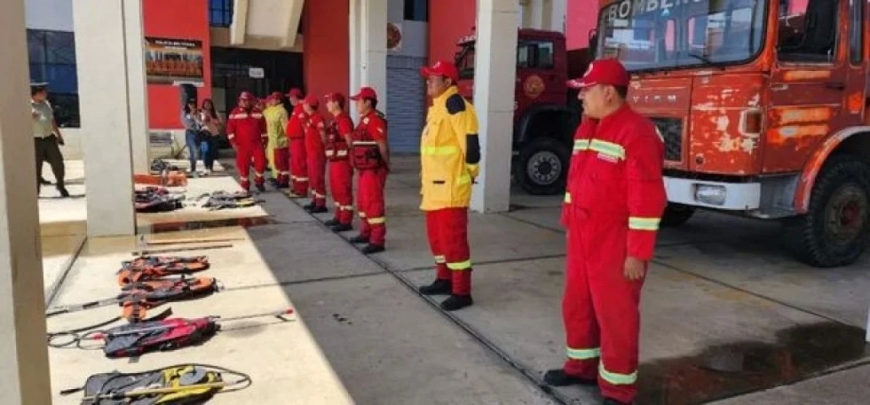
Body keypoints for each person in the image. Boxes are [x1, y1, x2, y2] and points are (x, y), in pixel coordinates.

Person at [543, 58, 667, 405]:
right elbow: (574, 183)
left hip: (615, 242)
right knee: (577, 304)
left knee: (616, 314)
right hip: (583, 237)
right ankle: (580, 366)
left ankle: (618, 388)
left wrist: (637, 253)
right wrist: (569, 224)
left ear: (609, 93)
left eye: (586, 90)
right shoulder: (586, 129)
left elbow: (647, 199)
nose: (580, 97)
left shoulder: (637, 133)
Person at [415, 61, 481, 311]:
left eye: (433, 77)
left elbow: (471, 147)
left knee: (453, 241)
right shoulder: (438, 108)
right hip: (434, 189)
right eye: (428, 77)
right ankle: (444, 279)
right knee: (438, 240)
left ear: (448, 82)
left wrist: (469, 174)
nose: (428, 81)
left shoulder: (456, 106)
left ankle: (462, 291)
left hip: (451, 189)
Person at [348, 86, 389, 254]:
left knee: (373, 205)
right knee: (363, 204)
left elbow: (382, 145)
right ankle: (366, 233)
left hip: (373, 170)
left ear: (368, 102)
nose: (357, 104)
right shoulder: (364, 120)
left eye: (359, 101)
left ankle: (377, 240)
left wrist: (386, 165)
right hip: (364, 170)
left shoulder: (374, 120)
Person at [323, 92, 355, 232]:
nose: (327, 104)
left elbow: (349, 141)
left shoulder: (343, 120)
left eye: (329, 101)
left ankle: (346, 220)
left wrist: (351, 158)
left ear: (336, 103)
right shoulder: (334, 120)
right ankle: (339, 216)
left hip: (342, 162)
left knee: (343, 190)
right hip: (335, 161)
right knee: (336, 190)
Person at [31, 82, 69, 197]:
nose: (45, 94)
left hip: (49, 139)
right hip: (35, 140)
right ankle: (35, 191)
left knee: (58, 163)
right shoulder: (26, 106)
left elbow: (52, 121)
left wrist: (59, 136)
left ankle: (61, 185)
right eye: (43, 92)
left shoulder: (46, 104)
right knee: (36, 166)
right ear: (36, 94)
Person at [225, 91, 268, 192]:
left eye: (246, 100)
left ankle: (259, 181)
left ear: (251, 101)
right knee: (243, 166)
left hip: (257, 143)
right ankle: (245, 185)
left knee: (261, 164)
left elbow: (264, 129)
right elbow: (230, 130)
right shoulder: (234, 113)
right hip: (242, 144)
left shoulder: (258, 112)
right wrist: (233, 143)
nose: (243, 102)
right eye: (242, 100)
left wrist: (265, 141)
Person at [302, 95, 328, 213]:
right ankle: (315, 200)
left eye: (305, 103)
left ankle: (321, 204)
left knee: (317, 178)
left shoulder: (317, 118)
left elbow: (323, 135)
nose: (303, 105)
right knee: (313, 178)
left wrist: (324, 148)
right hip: (310, 153)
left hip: (317, 153)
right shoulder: (310, 118)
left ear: (309, 105)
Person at [263, 92, 290, 188]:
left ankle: (284, 181)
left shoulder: (282, 111)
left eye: (274, 99)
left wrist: (288, 139)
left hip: (281, 141)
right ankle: (279, 179)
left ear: (279, 100)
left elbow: (286, 126)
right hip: (274, 141)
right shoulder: (273, 110)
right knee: (277, 163)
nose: (271, 101)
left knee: (282, 163)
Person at [285, 88, 309, 197]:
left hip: (299, 141)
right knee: (295, 166)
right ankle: (296, 187)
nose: (289, 99)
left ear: (295, 97)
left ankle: (301, 190)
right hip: (294, 141)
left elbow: (304, 125)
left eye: (290, 97)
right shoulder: (297, 108)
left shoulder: (300, 108)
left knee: (300, 166)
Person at [199, 98, 222, 175]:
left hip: (214, 135)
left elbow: (220, 122)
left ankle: (210, 167)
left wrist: (211, 118)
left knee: (212, 152)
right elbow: (199, 124)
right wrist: (203, 120)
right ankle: (206, 167)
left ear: (211, 105)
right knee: (205, 151)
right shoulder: (201, 113)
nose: (207, 105)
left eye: (209, 104)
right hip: (204, 135)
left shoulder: (215, 113)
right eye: (206, 104)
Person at [181, 97, 203, 175]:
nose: (192, 106)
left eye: (193, 104)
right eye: (190, 104)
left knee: (195, 152)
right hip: (190, 133)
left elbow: (200, 124)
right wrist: (191, 115)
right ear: (188, 105)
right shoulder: (185, 113)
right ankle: (193, 170)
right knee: (194, 151)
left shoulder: (198, 113)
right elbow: (186, 123)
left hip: (197, 133)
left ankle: (193, 168)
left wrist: (195, 116)